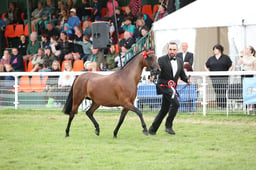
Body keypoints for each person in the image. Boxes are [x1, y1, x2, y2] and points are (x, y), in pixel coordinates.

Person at [148, 42, 191, 135]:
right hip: (164, 86)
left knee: (164, 109)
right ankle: (168, 126)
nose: (172, 51)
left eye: (174, 49)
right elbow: (156, 70)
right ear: (168, 50)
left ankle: (152, 130)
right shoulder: (161, 59)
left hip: (172, 88)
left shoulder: (180, 60)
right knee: (176, 104)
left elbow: (181, 74)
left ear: (177, 50)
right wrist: (152, 75)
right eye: (170, 49)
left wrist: (187, 80)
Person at [204, 44, 233, 109]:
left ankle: (224, 105)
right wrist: (208, 72)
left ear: (219, 50)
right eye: (213, 49)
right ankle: (219, 105)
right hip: (214, 77)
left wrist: (229, 72)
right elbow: (206, 65)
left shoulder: (225, 57)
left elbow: (231, 65)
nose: (214, 50)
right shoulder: (211, 58)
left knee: (223, 90)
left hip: (223, 77)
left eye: (215, 49)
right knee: (217, 91)